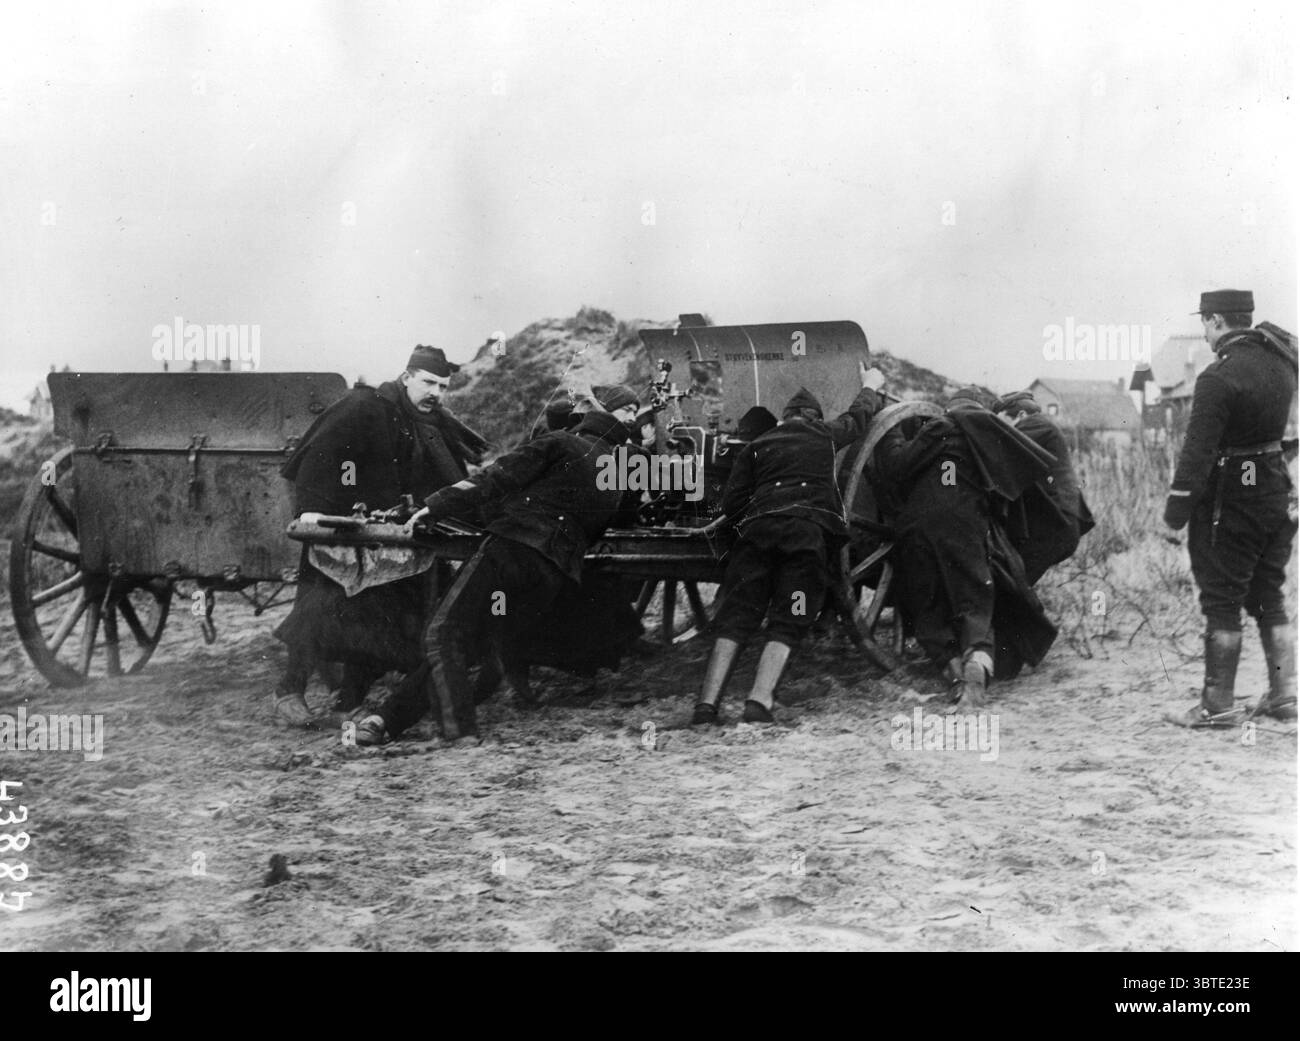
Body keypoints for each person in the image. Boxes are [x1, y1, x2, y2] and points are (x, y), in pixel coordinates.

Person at [354, 407, 635, 744]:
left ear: (582, 428)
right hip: (552, 575)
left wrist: (436, 506)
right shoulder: (614, 479)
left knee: (443, 633)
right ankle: (387, 719)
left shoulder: (561, 442)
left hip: (511, 552)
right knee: (473, 642)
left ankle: (461, 733)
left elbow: (497, 476)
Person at [272, 345, 487, 725]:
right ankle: (288, 694)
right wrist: (317, 516)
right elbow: (320, 460)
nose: (436, 393)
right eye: (428, 383)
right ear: (406, 378)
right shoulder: (363, 407)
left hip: (384, 535)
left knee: (382, 617)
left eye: (443, 386)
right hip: (336, 529)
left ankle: (348, 702)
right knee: (316, 610)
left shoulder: (422, 420)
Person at [690, 363, 885, 726]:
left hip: (757, 537)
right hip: (805, 538)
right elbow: (858, 417)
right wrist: (871, 384)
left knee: (737, 617)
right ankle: (758, 701)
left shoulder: (757, 445)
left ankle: (706, 705)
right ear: (814, 418)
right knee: (791, 615)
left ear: (783, 419)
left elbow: (733, 503)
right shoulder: (825, 434)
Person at [1163, 290, 1298, 726]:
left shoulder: (1217, 377)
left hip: (1232, 504)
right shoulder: (1283, 363)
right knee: (1269, 595)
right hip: (1275, 494)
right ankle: (1285, 697)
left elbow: (1197, 453)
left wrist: (1174, 514)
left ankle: (1216, 706)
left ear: (1217, 320)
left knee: (1221, 600)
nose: (1204, 333)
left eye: (1204, 323)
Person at [874, 386, 1057, 708]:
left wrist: (891, 431)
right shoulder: (991, 439)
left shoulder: (940, 426)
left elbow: (896, 467)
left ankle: (955, 676)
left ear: (950, 408)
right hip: (967, 526)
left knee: (927, 608)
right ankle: (976, 669)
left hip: (917, 528)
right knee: (974, 604)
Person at [992, 390, 1095, 584]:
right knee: (1012, 584)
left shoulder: (1036, 425)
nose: (997, 427)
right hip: (1056, 523)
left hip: (1056, 525)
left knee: (1011, 586)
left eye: (1000, 420)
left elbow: (1000, 452)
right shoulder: (1042, 428)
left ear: (1021, 415)